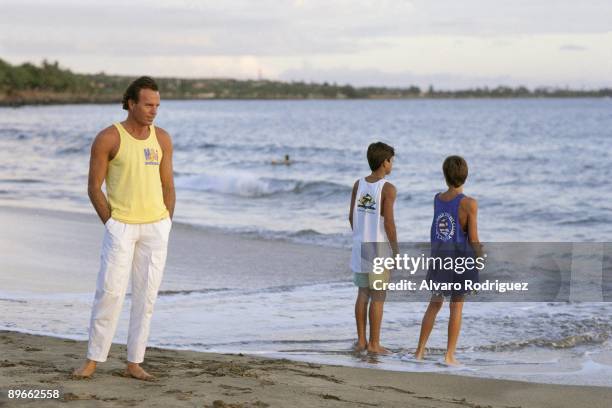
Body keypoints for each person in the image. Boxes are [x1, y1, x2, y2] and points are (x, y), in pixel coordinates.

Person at [73, 76, 175, 380]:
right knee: (110, 292)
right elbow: (94, 188)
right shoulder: (109, 138)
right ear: (131, 103)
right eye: (147, 104)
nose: (153, 110)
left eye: (157, 105)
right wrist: (113, 224)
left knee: (146, 297)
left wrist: (166, 221)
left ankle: (134, 362)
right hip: (122, 228)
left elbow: (168, 184)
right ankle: (93, 359)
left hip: (156, 227)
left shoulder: (163, 138)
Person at [414, 155, 482, 366]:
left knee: (434, 304)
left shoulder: (437, 199)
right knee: (456, 307)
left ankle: (419, 352)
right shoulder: (469, 203)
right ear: (466, 176)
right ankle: (449, 355)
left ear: (445, 176)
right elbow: (473, 239)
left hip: (440, 259)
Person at [349, 142, 398, 354]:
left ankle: (361, 341)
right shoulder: (387, 188)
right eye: (391, 161)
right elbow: (388, 223)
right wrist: (395, 250)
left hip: (360, 246)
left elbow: (351, 217)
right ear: (384, 162)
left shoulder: (358, 184)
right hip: (377, 248)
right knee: (378, 296)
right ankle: (374, 345)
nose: (392, 164)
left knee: (363, 294)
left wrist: (361, 234)